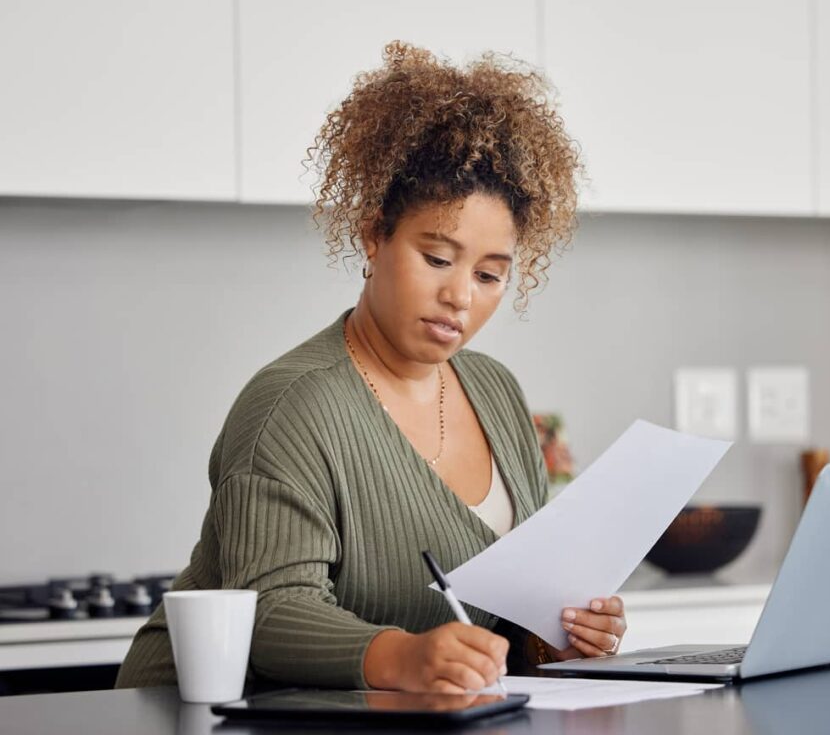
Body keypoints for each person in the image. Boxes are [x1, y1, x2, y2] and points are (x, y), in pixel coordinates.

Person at [116, 41, 627, 694]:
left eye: (490, 274)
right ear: (373, 235)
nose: (461, 297)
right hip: (200, 713)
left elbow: (495, 618)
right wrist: (407, 659)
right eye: (437, 258)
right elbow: (270, 614)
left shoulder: (496, 392)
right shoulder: (293, 405)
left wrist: (558, 635)